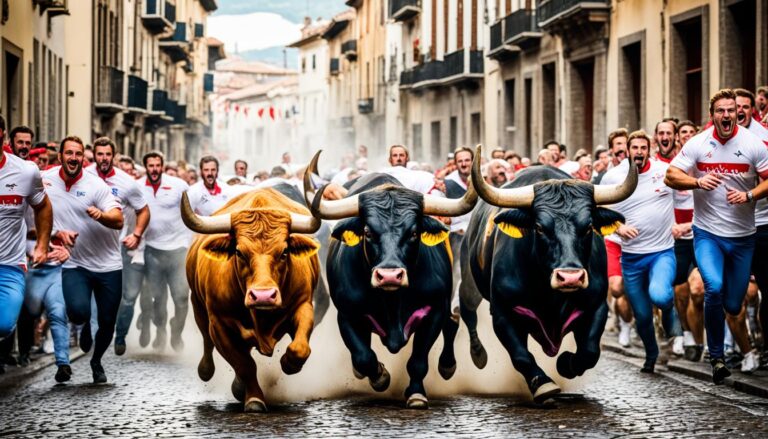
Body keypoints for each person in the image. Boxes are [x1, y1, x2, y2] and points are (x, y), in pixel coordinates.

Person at [666, 89, 768, 384]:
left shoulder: (753, 144)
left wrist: (748, 194)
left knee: (734, 304)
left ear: (738, 112)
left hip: (743, 236)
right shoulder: (699, 143)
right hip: (708, 233)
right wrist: (698, 181)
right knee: (713, 288)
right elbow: (671, 175)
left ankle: (724, 345)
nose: (726, 115)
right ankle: (717, 357)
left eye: (731, 110)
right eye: (720, 111)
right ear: (712, 115)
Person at [44, 136, 123, 383]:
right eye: (69, 153)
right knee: (77, 313)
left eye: (78, 154)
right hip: (74, 261)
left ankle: (97, 360)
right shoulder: (45, 180)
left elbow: (118, 219)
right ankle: (85, 322)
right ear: (61, 157)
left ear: (83, 158)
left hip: (108, 263)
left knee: (108, 321)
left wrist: (100, 215)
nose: (74, 158)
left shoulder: (96, 185)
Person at [603, 130, 677, 373]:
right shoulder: (613, 177)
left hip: (662, 252)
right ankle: (651, 354)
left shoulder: (665, 170)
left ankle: (670, 319)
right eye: (634, 148)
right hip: (631, 258)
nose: (638, 152)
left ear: (650, 149)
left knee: (661, 296)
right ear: (628, 150)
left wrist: (687, 224)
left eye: (643, 148)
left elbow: (691, 198)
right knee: (642, 316)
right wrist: (618, 227)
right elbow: (599, 213)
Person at [87, 137, 151, 357]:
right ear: (94, 155)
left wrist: (136, 235)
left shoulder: (126, 182)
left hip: (119, 248)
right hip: (87, 246)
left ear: (113, 156)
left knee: (127, 296)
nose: (104, 159)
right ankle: (88, 330)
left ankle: (120, 335)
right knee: (88, 297)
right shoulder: (84, 176)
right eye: (100, 154)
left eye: (108, 154)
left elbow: (144, 210)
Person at [0, 119, 52, 375]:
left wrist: (42, 245)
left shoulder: (26, 171)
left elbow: (43, 206)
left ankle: (16, 350)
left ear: (1, 138)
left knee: (5, 323)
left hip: (10, 263)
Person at [140, 151, 191, 352]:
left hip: (178, 250)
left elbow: (193, 210)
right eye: (150, 165)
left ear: (162, 166)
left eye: (157, 165)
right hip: (152, 252)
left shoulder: (179, 185)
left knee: (181, 298)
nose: (154, 169)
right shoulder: (137, 186)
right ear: (146, 167)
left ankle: (176, 332)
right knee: (157, 298)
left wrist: (189, 241)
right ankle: (160, 329)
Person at [735, 88, 768, 371]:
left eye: (746, 106)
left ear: (753, 109)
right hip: (732, 227)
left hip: (763, 224)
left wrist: (750, 194)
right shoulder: (715, 139)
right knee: (733, 292)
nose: (741, 111)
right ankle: (740, 348)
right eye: (736, 107)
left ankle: (764, 347)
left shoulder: (763, 138)